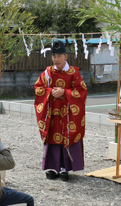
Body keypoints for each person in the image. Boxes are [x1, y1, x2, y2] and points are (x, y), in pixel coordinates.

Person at [34, 40, 87, 181]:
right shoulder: (47, 73)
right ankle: (53, 167)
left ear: (66, 57)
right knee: (53, 140)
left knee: (66, 139)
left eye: (59, 56)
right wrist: (50, 91)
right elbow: (38, 88)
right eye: (54, 56)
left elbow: (82, 91)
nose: (56, 59)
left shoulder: (74, 73)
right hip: (52, 115)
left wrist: (65, 92)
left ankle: (65, 169)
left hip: (68, 115)